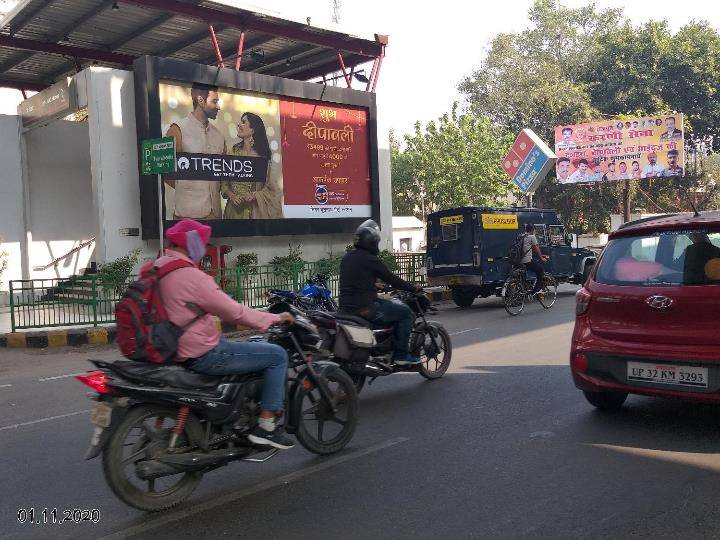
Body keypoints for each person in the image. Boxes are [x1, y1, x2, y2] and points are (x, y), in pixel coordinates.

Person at [144, 219, 296, 449]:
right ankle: (266, 427)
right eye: (203, 244)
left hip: (165, 349)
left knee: (245, 347)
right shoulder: (192, 277)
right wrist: (274, 318)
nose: (204, 250)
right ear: (191, 244)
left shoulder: (153, 268)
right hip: (202, 353)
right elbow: (234, 312)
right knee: (276, 355)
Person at [339, 220, 421, 364]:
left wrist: (373, 284)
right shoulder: (370, 259)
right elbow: (392, 278)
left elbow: (355, 281)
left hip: (345, 308)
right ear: (372, 243)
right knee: (405, 312)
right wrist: (413, 288)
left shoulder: (347, 258)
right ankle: (401, 355)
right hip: (366, 308)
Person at [165, 84, 226, 220]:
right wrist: (188, 188)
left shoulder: (219, 136)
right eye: (214, 101)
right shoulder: (177, 130)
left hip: (216, 218)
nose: (219, 107)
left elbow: (222, 173)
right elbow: (166, 173)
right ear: (200, 100)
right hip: (186, 218)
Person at [222, 112, 283, 219]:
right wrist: (232, 196)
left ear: (253, 130)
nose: (239, 125)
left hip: (254, 214)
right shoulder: (233, 152)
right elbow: (224, 182)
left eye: (243, 122)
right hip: (233, 213)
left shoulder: (261, 157)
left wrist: (255, 195)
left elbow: (272, 189)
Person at [520, 223, 550, 295]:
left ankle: (523, 288)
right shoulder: (532, 236)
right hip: (527, 260)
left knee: (523, 273)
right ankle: (536, 290)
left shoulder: (521, 236)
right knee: (540, 270)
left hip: (518, 260)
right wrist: (541, 258)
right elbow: (536, 248)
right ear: (532, 230)